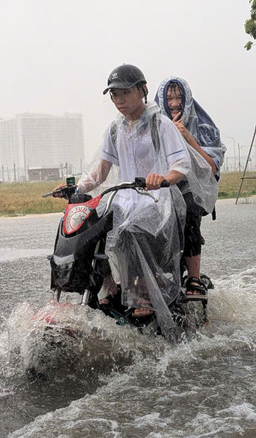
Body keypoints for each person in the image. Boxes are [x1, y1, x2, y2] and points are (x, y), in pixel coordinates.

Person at [65, 64, 217, 333]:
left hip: (157, 202)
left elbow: (181, 164)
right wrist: (77, 187)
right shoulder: (115, 129)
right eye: (114, 95)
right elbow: (101, 170)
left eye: (124, 92)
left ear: (142, 91)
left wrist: (163, 178)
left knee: (131, 230)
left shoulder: (161, 125)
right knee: (92, 225)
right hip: (124, 201)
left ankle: (144, 291)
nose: (119, 100)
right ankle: (107, 285)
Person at [155, 77, 226, 298]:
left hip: (193, 190)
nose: (174, 104)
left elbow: (212, 166)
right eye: (169, 99)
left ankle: (194, 278)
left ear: (187, 100)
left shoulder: (203, 126)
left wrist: (186, 136)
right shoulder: (153, 123)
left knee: (189, 215)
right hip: (162, 187)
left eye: (178, 98)